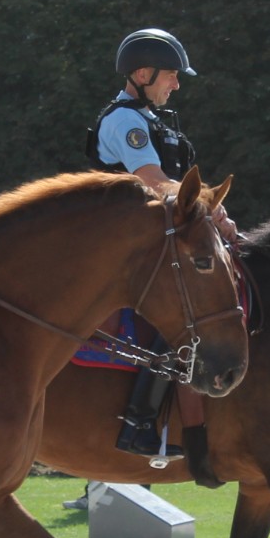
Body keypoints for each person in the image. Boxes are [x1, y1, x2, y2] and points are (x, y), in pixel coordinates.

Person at [89, 26, 202, 462]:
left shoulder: (153, 120)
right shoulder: (124, 121)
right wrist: (209, 208)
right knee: (181, 314)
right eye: (171, 75)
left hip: (158, 243)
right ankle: (141, 421)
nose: (176, 83)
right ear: (141, 73)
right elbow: (154, 182)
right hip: (126, 247)